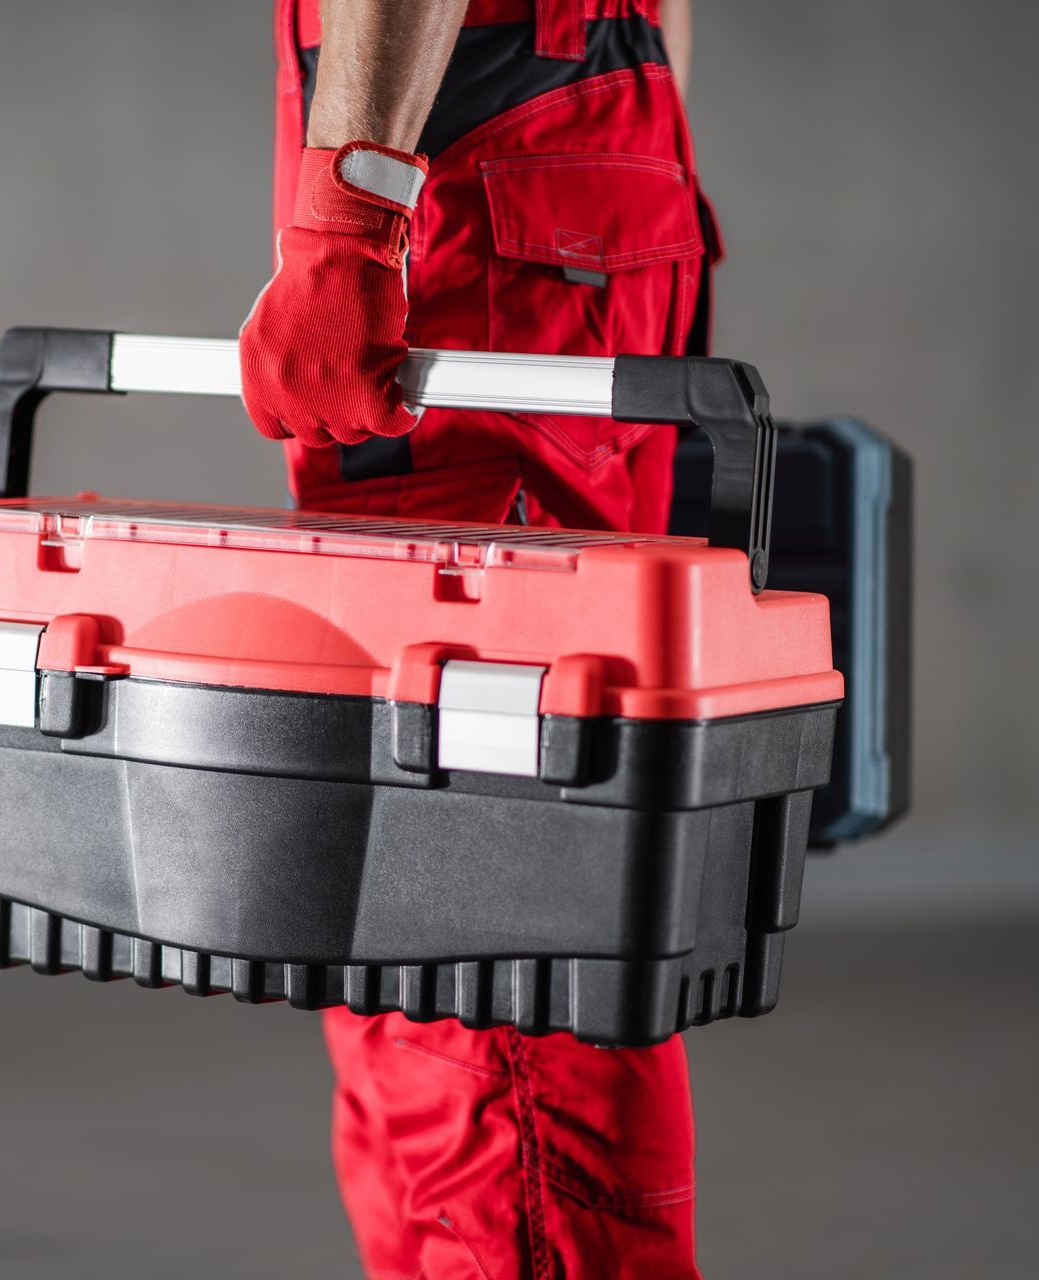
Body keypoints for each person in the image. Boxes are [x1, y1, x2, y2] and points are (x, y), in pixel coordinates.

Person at [238, 2, 715, 1276]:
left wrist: (348, 216)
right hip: (577, 151)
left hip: (474, 182)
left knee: (464, 887)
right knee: (468, 845)